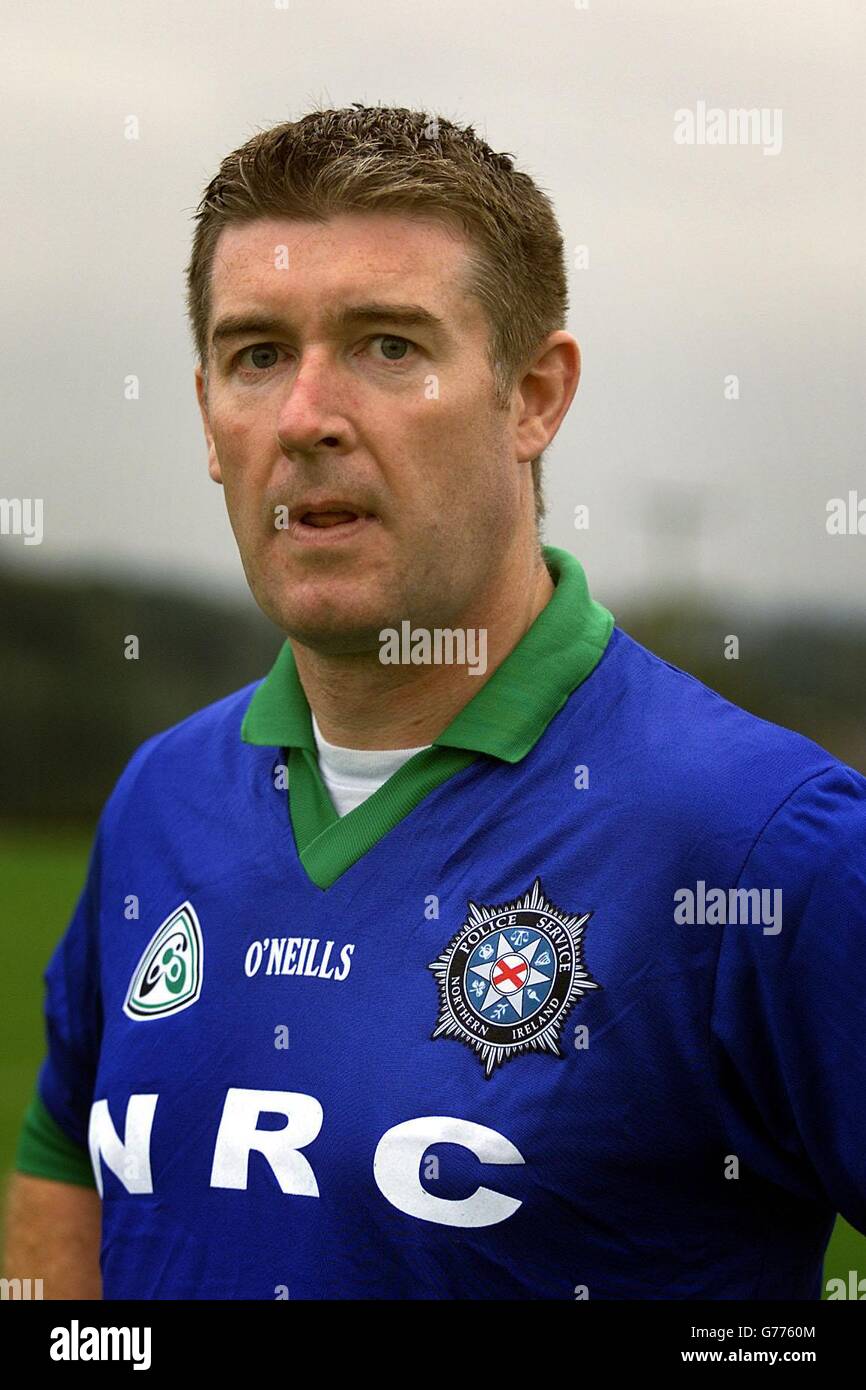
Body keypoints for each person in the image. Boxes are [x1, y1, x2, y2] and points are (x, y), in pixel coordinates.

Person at [4, 105, 865, 1300]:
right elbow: (64, 1149)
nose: (306, 416)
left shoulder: (767, 842)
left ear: (533, 397)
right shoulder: (162, 794)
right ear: (208, 410)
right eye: (257, 354)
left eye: (387, 345)